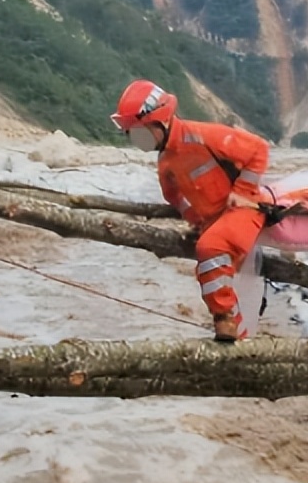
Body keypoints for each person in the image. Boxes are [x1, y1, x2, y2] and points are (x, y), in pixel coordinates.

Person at [112, 79, 269, 342]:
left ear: (159, 121)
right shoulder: (166, 163)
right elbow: (175, 198)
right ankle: (239, 336)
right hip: (214, 221)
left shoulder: (203, 135)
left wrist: (242, 191)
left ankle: (225, 319)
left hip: (244, 210)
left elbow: (259, 149)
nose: (135, 138)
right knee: (211, 252)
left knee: (211, 247)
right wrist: (196, 221)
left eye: (138, 131)